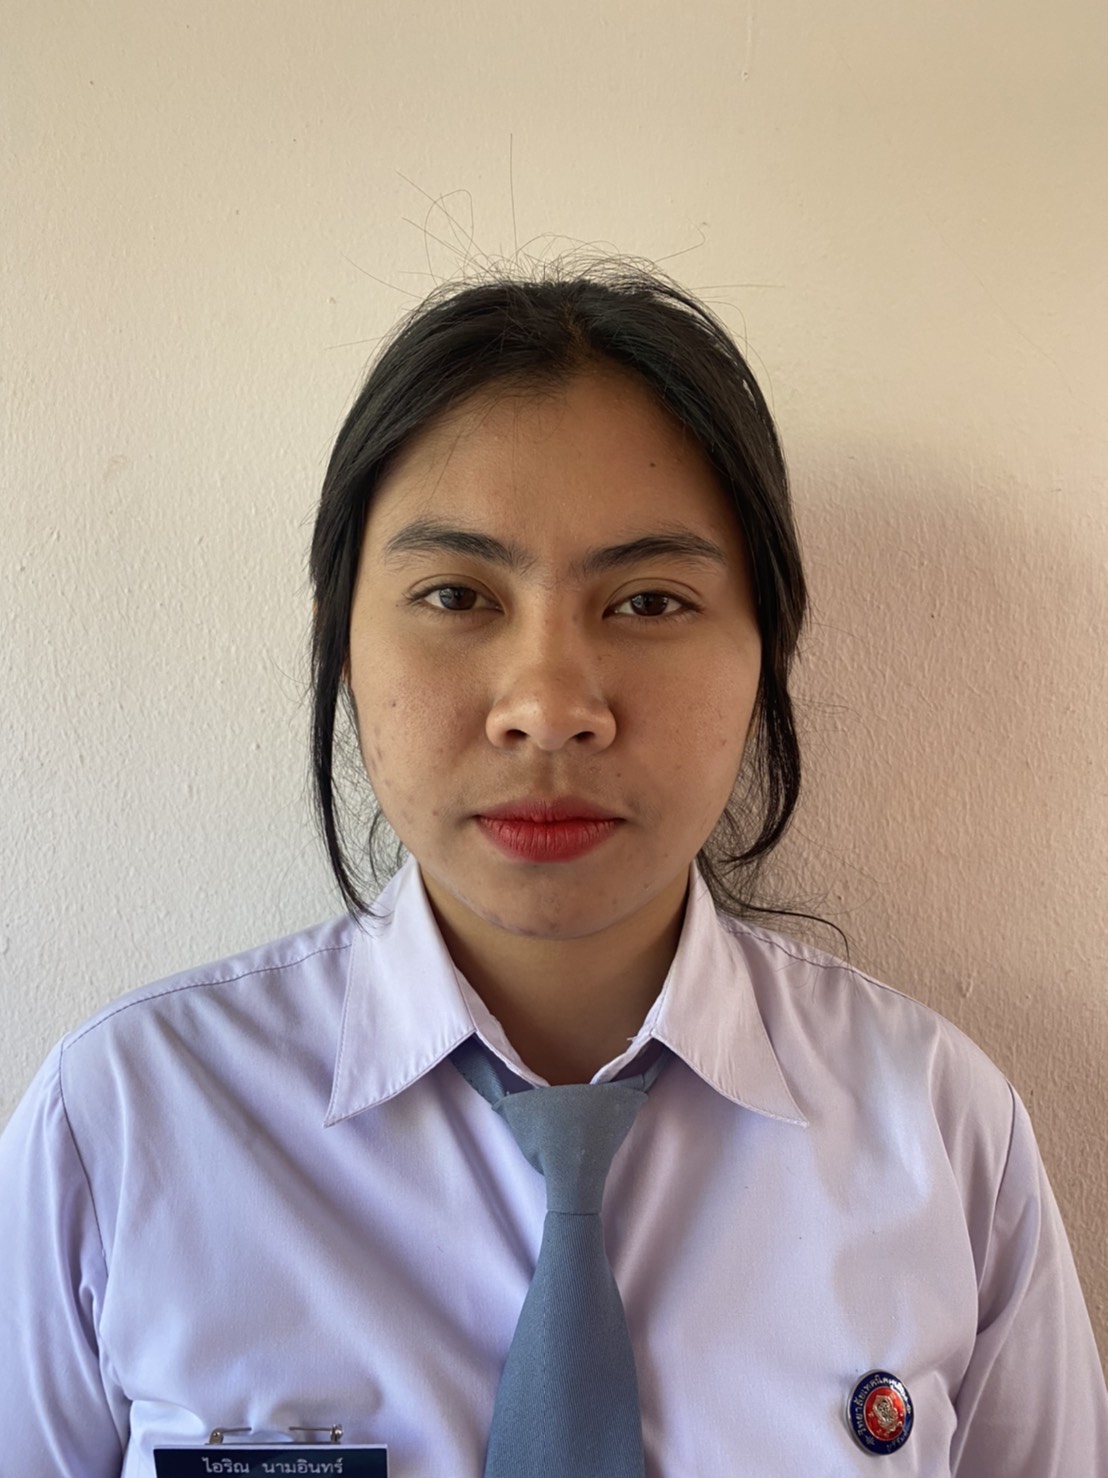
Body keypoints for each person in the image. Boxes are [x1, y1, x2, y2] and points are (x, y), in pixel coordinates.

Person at [1, 264, 1105, 1476]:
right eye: (455, 593)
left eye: (649, 600)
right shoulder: (121, 1125)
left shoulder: (941, 1130)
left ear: (765, 650)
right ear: (342, 641)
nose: (548, 704)